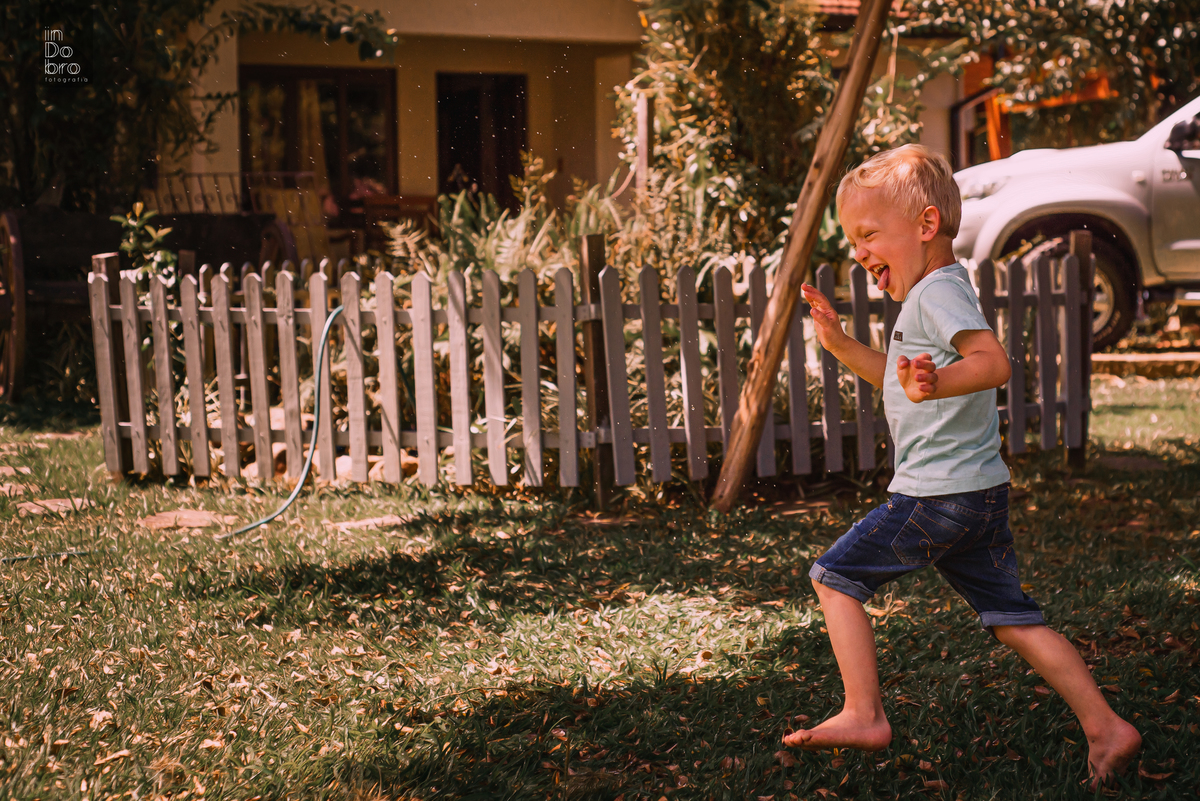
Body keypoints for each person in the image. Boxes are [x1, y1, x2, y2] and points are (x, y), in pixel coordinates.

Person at [781, 144, 1141, 787]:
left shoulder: (933, 297)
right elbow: (901, 384)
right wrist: (840, 346)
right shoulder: (935, 291)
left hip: (937, 498)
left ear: (924, 226)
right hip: (978, 496)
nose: (859, 251)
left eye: (868, 234)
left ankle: (864, 712)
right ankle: (1107, 728)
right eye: (852, 240)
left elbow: (992, 363)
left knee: (834, 578)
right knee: (1013, 620)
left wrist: (937, 383)